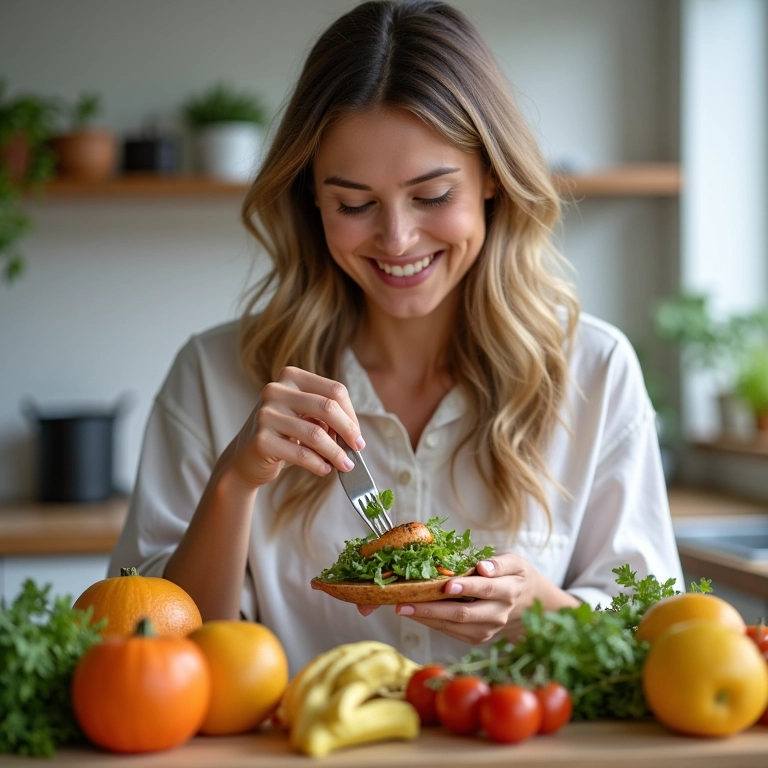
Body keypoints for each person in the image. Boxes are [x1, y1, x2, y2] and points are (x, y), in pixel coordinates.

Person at [110, 0, 684, 675]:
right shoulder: (212, 376)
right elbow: (152, 659)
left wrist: (543, 612)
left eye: (433, 195)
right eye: (354, 204)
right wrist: (234, 487)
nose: (397, 239)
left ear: (492, 179)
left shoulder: (595, 370)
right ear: (312, 200)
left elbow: (659, 644)